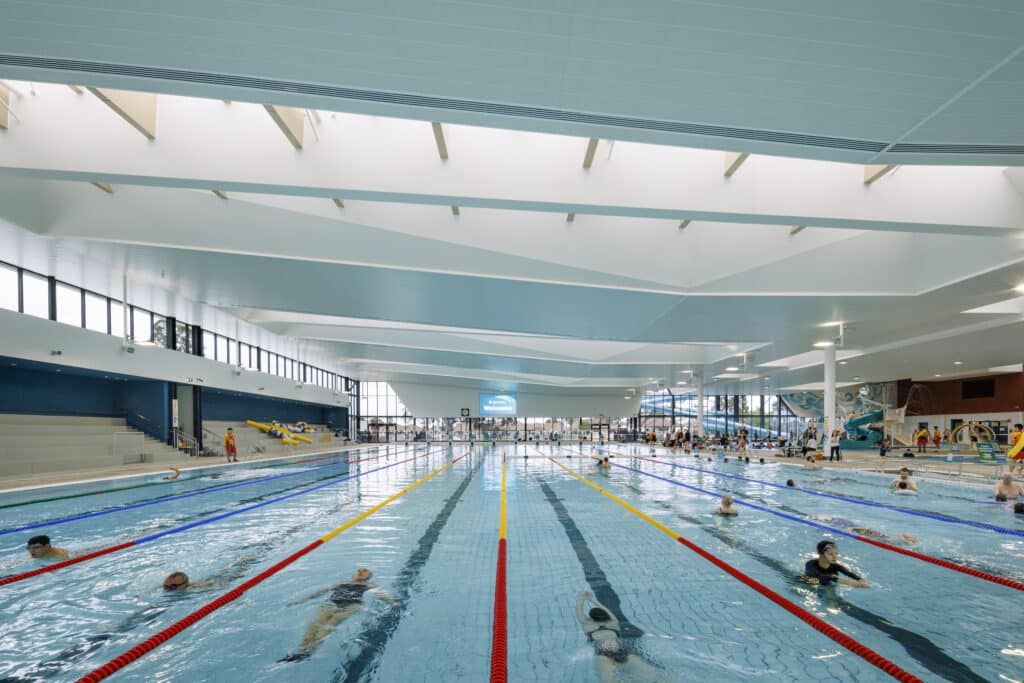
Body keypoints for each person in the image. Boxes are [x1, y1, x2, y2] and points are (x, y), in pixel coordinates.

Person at [280, 568, 394, 661]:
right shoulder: (342, 583)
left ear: (368, 576)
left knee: (325, 629)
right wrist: (302, 600)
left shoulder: (370, 584)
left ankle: (309, 653)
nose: (360, 571)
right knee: (313, 627)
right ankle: (299, 652)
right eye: (359, 570)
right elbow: (321, 592)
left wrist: (393, 602)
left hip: (352, 605)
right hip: (332, 604)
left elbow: (381, 593)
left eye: (365, 571)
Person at [575, 592, 670, 683]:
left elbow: (579, 611)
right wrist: (594, 600)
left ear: (591, 617)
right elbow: (607, 611)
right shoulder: (613, 623)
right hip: (622, 652)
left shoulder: (587, 625)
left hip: (602, 655)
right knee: (656, 675)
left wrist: (581, 598)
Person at [803, 540, 869, 588]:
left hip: (826, 586)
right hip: (806, 584)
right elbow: (822, 576)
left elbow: (849, 573)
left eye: (836, 553)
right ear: (821, 555)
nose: (835, 557)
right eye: (830, 554)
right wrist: (849, 582)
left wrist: (861, 581)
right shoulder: (810, 564)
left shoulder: (836, 566)